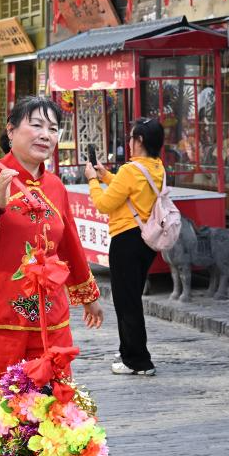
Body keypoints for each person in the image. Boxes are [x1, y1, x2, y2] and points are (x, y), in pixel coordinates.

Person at [0, 96, 104, 456]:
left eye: (53, 128)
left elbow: (69, 242)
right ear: (11, 130)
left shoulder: (55, 186)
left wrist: (87, 294)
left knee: (51, 406)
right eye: (36, 124)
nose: (46, 134)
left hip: (50, 321)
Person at [84, 117, 165, 376]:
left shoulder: (131, 170)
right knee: (131, 298)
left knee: (126, 302)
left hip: (126, 240)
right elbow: (130, 190)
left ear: (139, 140)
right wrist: (106, 175)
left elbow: (104, 204)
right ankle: (129, 349)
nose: (128, 142)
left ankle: (138, 361)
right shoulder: (157, 167)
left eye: (131, 138)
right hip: (145, 242)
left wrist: (92, 181)